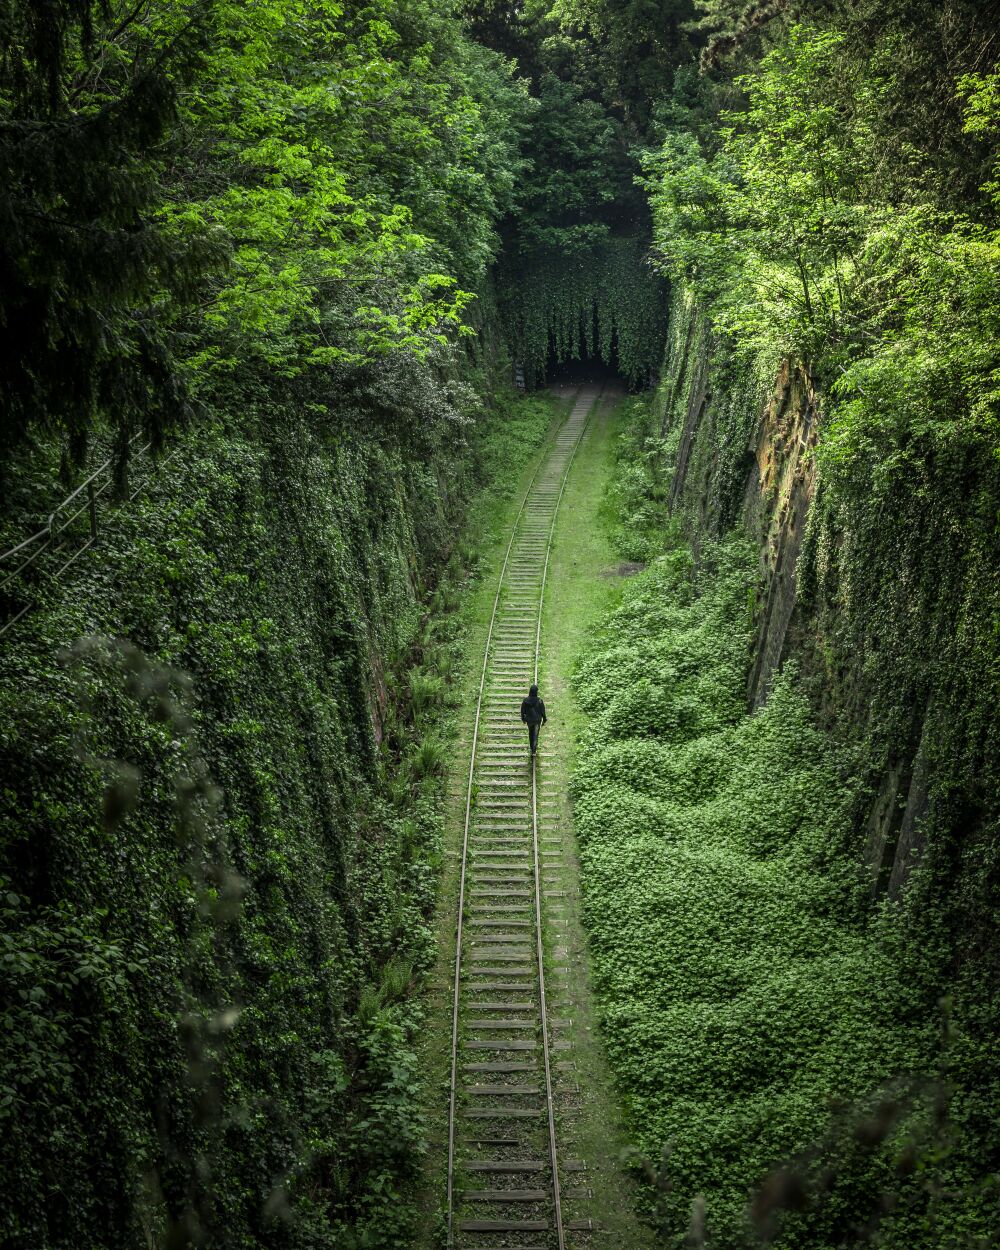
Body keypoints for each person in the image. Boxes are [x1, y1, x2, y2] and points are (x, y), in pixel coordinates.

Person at [520, 684, 547, 757]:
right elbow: (543, 711)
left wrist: (523, 718)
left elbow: (522, 711)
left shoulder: (525, 701)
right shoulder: (539, 701)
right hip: (537, 720)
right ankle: (534, 750)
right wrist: (544, 719)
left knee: (530, 733)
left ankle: (532, 748)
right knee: (535, 734)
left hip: (529, 720)